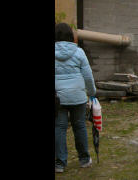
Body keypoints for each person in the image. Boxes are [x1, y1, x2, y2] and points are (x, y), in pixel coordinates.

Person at [55, 23, 96, 173]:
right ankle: (84, 160)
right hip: (78, 97)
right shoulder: (79, 52)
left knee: (59, 128)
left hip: (58, 98)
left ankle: (59, 164)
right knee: (79, 126)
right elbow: (88, 76)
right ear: (71, 37)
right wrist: (92, 92)